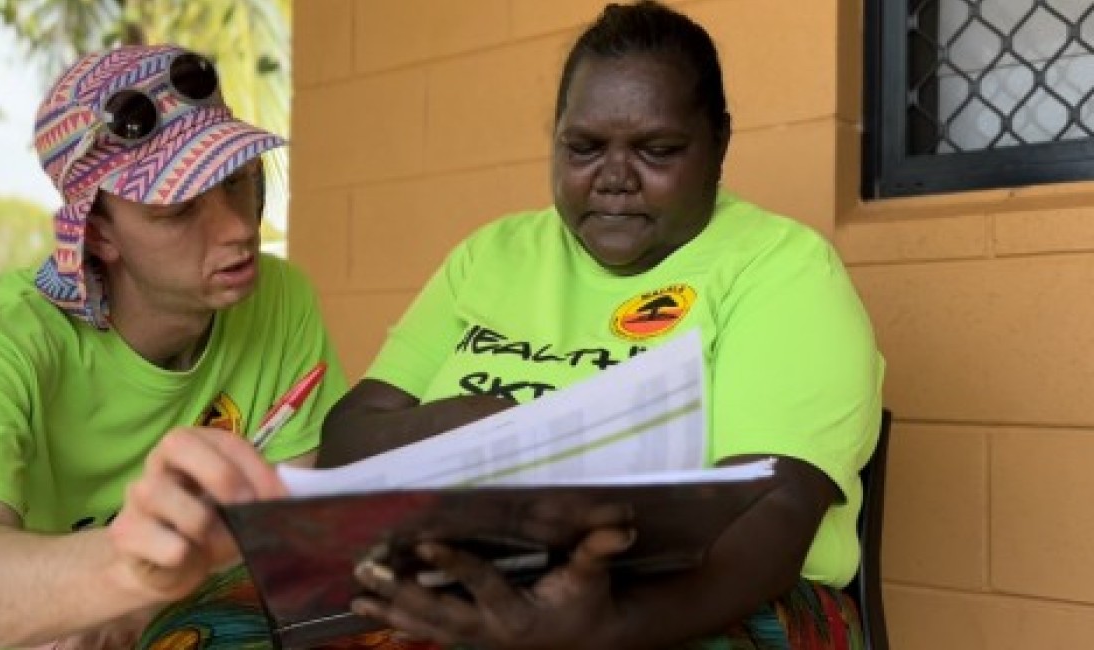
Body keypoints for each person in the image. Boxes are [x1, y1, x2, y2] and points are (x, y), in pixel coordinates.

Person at [320, 2, 885, 648]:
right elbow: (344, 445)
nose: (614, 179)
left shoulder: (782, 269)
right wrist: (487, 426)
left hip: (707, 596)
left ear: (720, 142)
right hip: (474, 573)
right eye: (584, 148)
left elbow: (771, 511)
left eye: (657, 150)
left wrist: (611, 629)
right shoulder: (492, 257)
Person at [0, 44, 345, 649]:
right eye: (179, 210)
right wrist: (123, 578)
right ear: (98, 234)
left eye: (241, 183)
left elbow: (282, 529)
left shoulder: (279, 302)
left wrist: (140, 600)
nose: (239, 228)